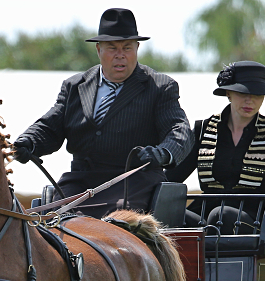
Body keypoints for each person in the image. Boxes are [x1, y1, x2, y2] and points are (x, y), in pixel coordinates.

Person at [12, 8, 193, 217]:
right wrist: (28, 141)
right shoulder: (74, 86)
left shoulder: (160, 87)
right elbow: (51, 125)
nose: (120, 55)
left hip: (135, 182)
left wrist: (162, 153)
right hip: (79, 182)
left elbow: (179, 130)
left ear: (137, 48)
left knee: (117, 224)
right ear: (98, 50)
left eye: (127, 48)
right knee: (45, 226)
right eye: (112, 48)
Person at [165, 61, 265, 231]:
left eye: (257, 94)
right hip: (207, 216)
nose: (249, 100)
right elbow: (170, 180)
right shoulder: (202, 130)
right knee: (169, 215)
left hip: (256, 219)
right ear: (228, 92)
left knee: (222, 216)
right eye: (242, 93)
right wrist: (138, 196)